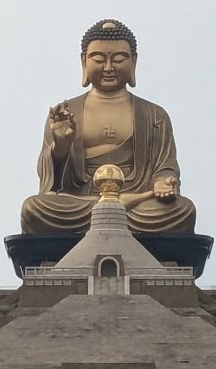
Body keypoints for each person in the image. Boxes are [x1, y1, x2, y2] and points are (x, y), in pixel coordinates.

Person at [19, 18, 197, 234]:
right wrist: (61, 146)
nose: (109, 67)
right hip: (83, 201)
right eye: (99, 59)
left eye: (119, 59)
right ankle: (112, 210)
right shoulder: (65, 113)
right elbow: (51, 185)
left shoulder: (154, 115)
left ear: (133, 61)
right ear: (84, 61)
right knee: (34, 209)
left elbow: (165, 166)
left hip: (139, 204)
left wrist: (164, 183)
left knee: (184, 210)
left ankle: (115, 210)